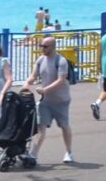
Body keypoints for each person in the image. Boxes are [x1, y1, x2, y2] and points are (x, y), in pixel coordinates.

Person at [29, 33, 75, 161]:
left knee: (64, 126)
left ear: (53, 47)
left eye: (45, 46)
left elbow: (61, 80)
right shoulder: (40, 60)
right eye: (41, 46)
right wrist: (27, 83)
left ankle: (68, 152)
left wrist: (45, 89)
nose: (42, 48)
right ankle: (33, 154)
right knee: (41, 127)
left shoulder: (61, 61)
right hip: (46, 101)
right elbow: (33, 75)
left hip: (61, 100)